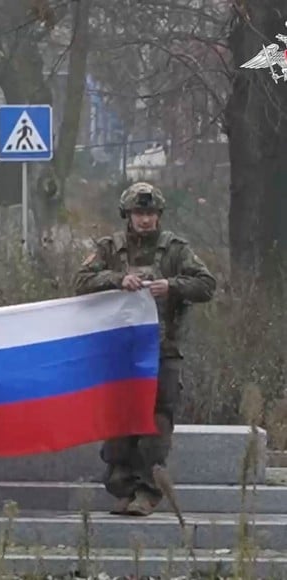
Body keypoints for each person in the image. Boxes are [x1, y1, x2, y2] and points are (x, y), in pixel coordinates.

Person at [73, 181, 216, 516]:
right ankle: (122, 485)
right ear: (128, 214)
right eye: (139, 212)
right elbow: (81, 282)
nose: (146, 219)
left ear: (159, 215)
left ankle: (148, 491)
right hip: (120, 351)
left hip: (161, 351)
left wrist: (173, 286)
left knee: (156, 422)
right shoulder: (110, 248)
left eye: (150, 212)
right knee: (118, 421)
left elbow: (206, 285)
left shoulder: (176, 250)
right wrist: (116, 280)